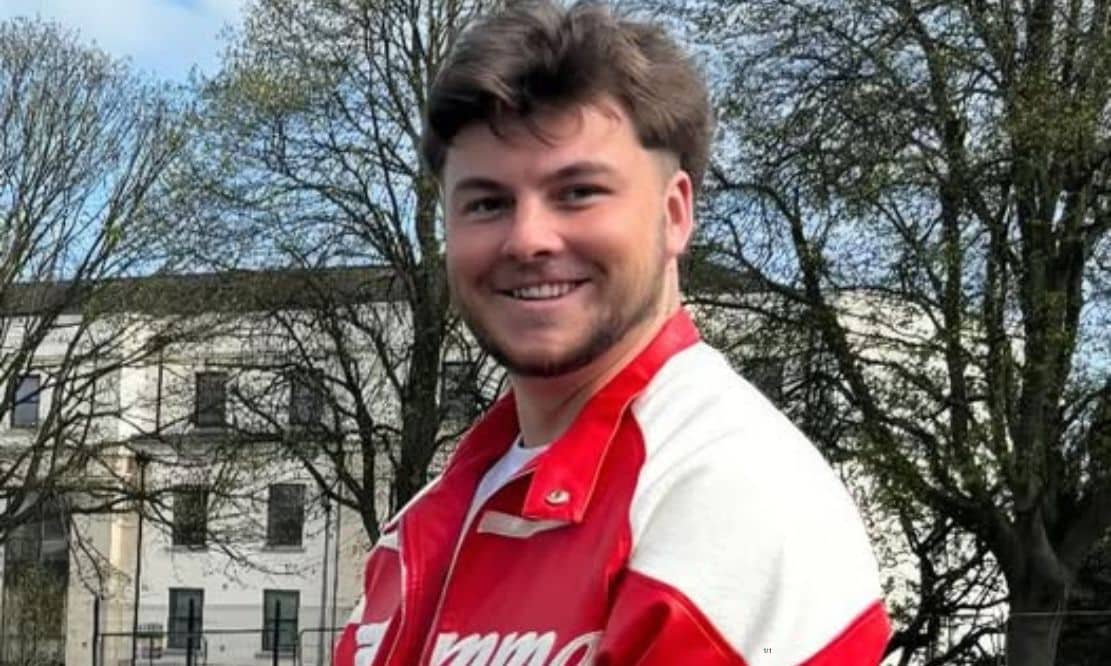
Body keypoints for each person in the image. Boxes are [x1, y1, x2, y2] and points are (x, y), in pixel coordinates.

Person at [333, 1, 891, 663]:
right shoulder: (427, 523)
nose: (528, 239)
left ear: (674, 214)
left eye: (578, 193)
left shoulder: (732, 496)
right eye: (487, 203)